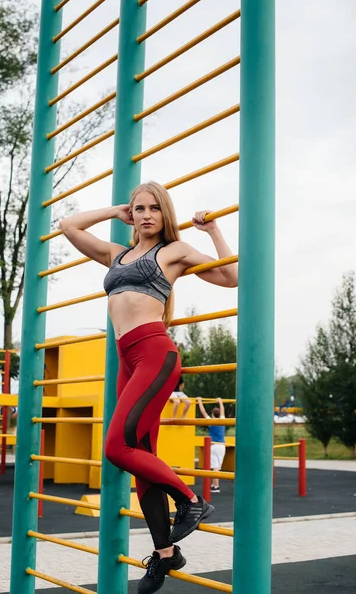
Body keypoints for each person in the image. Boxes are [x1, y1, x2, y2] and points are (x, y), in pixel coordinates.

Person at [60, 181, 238, 594]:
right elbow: (69, 225)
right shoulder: (116, 254)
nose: (145, 215)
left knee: (116, 448)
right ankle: (165, 554)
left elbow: (231, 277)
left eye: (154, 209)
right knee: (141, 460)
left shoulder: (172, 252)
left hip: (155, 354)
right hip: (127, 361)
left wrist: (211, 230)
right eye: (139, 209)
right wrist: (114, 210)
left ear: (165, 215)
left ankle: (192, 501)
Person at [197, 397, 226, 493]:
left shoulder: (211, 422)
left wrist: (200, 401)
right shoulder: (223, 420)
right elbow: (222, 412)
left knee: (215, 467)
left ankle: (216, 486)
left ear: (213, 414)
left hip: (213, 446)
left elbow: (203, 412)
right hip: (222, 446)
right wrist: (220, 402)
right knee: (218, 467)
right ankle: (214, 484)